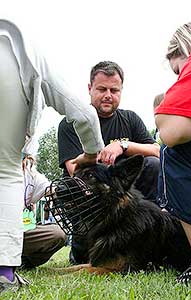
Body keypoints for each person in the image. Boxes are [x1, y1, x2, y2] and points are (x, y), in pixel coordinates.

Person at [0, 19, 104, 294]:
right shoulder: (30, 55)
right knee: (5, 170)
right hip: (13, 65)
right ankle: (4, 274)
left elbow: (49, 190)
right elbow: (84, 114)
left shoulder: (32, 175)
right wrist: (92, 154)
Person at [58, 61, 160, 264]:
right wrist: (94, 155)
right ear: (90, 89)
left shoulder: (130, 119)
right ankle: (80, 244)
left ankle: (149, 237)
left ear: (121, 91)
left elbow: (157, 150)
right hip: (90, 202)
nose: (108, 95)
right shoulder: (71, 123)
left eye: (114, 90)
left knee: (153, 164)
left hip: (125, 206)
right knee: (83, 259)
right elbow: (73, 169)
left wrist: (123, 145)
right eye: (102, 89)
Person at [154, 22, 191, 284]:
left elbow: (173, 134)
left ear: (186, 49)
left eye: (178, 72)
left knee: (172, 153)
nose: (180, 78)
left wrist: (162, 118)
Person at [21, 156, 67, 270]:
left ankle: (22, 263)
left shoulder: (30, 174)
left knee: (57, 234)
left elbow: (51, 189)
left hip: (18, 232)